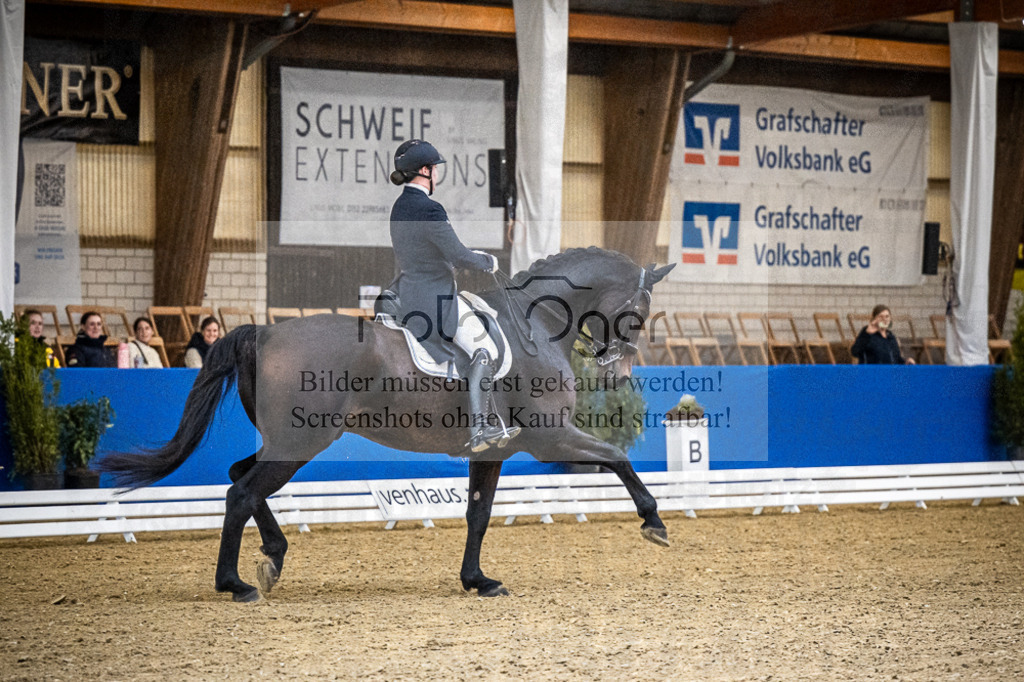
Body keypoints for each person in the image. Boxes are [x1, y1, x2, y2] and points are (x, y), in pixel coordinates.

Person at [388, 138, 518, 453]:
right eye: (435, 168)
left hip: (407, 294)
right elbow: (459, 256)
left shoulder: (399, 207)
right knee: (484, 350)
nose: (438, 174)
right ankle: (480, 428)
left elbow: (429, 251)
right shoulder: (430, 209)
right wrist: (488, 261)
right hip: (435, 299)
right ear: (424, 170)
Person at [851, 305, 916, 365]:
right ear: (874, 319)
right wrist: (867, 334)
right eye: (880, 316)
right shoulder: (867, 333)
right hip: (872, 374)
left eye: (887, 316)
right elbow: (855, 352)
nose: (884, 319)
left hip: (890, 374)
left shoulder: (891, 336)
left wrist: (906, 361)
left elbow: (896, 358)